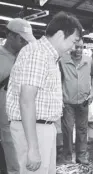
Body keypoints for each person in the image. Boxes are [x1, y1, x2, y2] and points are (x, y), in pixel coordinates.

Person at [6, 12, 82, 174]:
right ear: (61, 35)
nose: (74, 47)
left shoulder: (49, 56)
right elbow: (26, 101)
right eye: (74, 41)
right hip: (34, 129)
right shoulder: (37, 54)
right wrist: (32, 148)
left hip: (42, 128)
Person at [0, 18, 36, 174]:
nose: (25, 43)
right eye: (22, 39)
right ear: (10, 35)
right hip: (4, 112)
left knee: (15, 151)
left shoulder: (26, 57)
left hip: (17, 115)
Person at [58, 39, 93, 164]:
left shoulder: (88, 60)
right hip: (67, 102)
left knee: (82, 129)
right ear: (71, 47)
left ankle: (81, 156)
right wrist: (59, 97)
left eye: (81, 47)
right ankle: (68, 157)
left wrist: (92, 92)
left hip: (83, 101)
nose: (79, 50)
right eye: (76, 47)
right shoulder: (63, 60)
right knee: (68, 129)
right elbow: (58, 80)